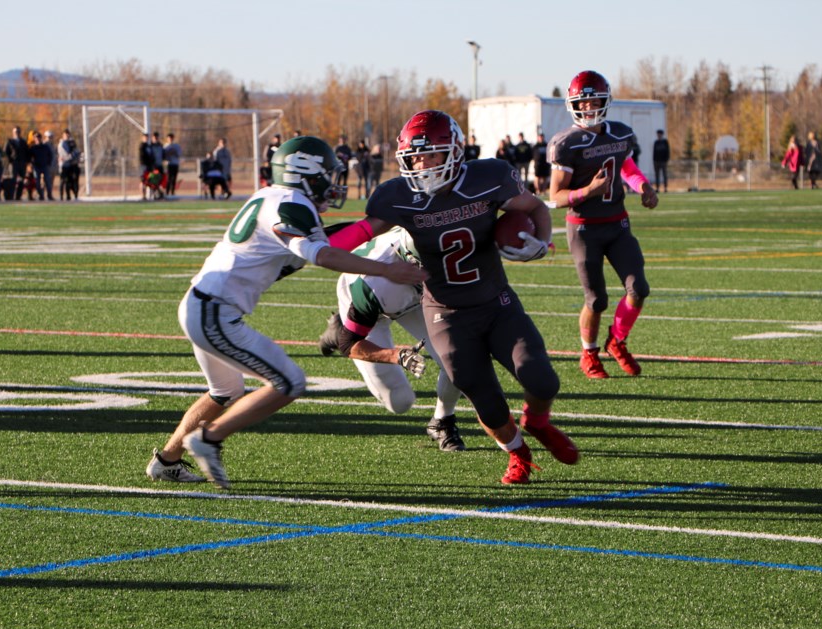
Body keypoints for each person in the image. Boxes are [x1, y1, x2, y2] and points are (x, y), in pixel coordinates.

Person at [153, 136, 427, 488]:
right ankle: (209, 439)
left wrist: (380, 223)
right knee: (290, 382)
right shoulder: (291, 202)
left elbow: (326, 243)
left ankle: (167, 460)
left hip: (201, 304)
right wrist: (388, 269)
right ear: (305, 173)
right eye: (327, 174)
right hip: (214, 312)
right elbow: (324, 255)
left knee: (225, 391)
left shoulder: (271, 196)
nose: (332, 182)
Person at [324, 110, 577, 485]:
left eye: (431, 155)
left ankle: (536, 421)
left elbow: (536, 208)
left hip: (496, 302)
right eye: (415, 157)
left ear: (455, 151)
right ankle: (519, 453)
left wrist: (541, 243)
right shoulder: (397, 197)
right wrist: (310, 244)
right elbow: (358, 234)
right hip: (446, 315)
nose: (422, 164)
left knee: (542, 380)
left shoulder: (488, 177)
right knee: (486, 403)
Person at [548, 70, 659, 380]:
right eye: (583, 102)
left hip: (617, 223)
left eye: (594, 100)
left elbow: (626, 167)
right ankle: (589, 352)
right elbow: (554, 197)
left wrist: (643, 187)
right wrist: (588, 192)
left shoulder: (619, 133)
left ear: (605, 100)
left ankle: (617, 340)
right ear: (573, 105)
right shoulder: (565, 143)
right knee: (596, 300)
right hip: (584, 228)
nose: (589, 107)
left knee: (639, 288)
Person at [317, 227, 466, 452]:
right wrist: (398, 356)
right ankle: (341, 327)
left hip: (415, 301)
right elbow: (350, 345)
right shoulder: (372, 286)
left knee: (458, 357)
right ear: (407, 260)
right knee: (399, 401)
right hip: (371, 304)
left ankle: (442, 421)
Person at [4, 126, 29, 199]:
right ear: (13, 133)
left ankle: (18, 196)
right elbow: (6, 152)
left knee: (22, 180)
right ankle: (11, 195)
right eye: (16, 132)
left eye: (18, 132)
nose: (17, 133)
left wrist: (26, 161)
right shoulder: (10, 141)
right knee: (13, 180)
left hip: (22, 163)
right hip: (13, 163)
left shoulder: (23, 142)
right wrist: (10, 160)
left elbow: (27, 152)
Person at [58, 129, 81, 200]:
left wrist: (74, 155)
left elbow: (77, 151)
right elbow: (67, 155)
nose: (67, 136)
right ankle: (62, 196)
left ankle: (74, 195)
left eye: (68, 135)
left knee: (72, 181)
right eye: (66, 135)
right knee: (63, 181)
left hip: (72, 165)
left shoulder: (71, 143)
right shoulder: (62, 144)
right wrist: (72, 155)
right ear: (63, 135)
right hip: (64, 165)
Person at [29, 132, 52, 201]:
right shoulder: (33, 148)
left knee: (47, 181)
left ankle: (49, 195)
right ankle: (41, 195)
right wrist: (32, 164)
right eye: (36, 137)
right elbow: (29, 157)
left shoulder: (45, 147)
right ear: (34, 139)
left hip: (44, 166)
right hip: (37, 167)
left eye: (39, 137)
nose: (38, 139)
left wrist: (48, 163)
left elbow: (50, 155)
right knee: (37, 182)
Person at [138, 132, 155, 199]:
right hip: (143, 166)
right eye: (145, 137)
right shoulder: (142, 146)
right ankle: (143, 195)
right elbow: (142, 156)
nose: (146, 139)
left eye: (147, 137)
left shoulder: (149, 146)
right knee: (143, 180)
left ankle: (150, 195)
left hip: (149, 166)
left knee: (149, 180)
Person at [43, 131, 57, 200]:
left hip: (53, 166)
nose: (50, 138)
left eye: (51, 137)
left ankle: (49, 195)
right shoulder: (44, 145)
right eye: (49, 137)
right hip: (46, 166)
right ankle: (41, 195)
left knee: (51, 182)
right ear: (45, 137)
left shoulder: (53, 145)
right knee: (44, 182)